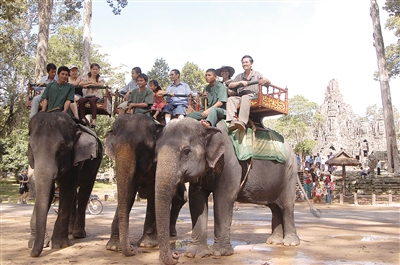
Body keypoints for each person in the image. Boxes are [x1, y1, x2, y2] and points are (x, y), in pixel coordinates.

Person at [226, 55, 270, 132]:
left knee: (245, 97)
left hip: (252, 95)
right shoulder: (239, 76)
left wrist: (265, 80)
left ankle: (242, 122)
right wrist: (240, 82)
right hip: (240, 96)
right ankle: (232, 121)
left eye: (246, 62)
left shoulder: (257, 74)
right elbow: (230, 85)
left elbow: (268, 82)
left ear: (251, 63)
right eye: (243, 63)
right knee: (231, 99)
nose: (244, 64)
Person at [77, 63, 105, 128]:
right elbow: (81, 83)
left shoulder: (99, 78)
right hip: (87, 95)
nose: (95, 71)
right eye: (93, 69)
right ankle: (82, 118)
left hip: (96, 95)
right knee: (81, 101)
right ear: (90, 70)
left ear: (98, 70)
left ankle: (94, 119)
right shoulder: (87, 77)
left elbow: (101, 84)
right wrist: (89, 83)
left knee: (92, 101)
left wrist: (93, 84)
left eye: (96, 69)